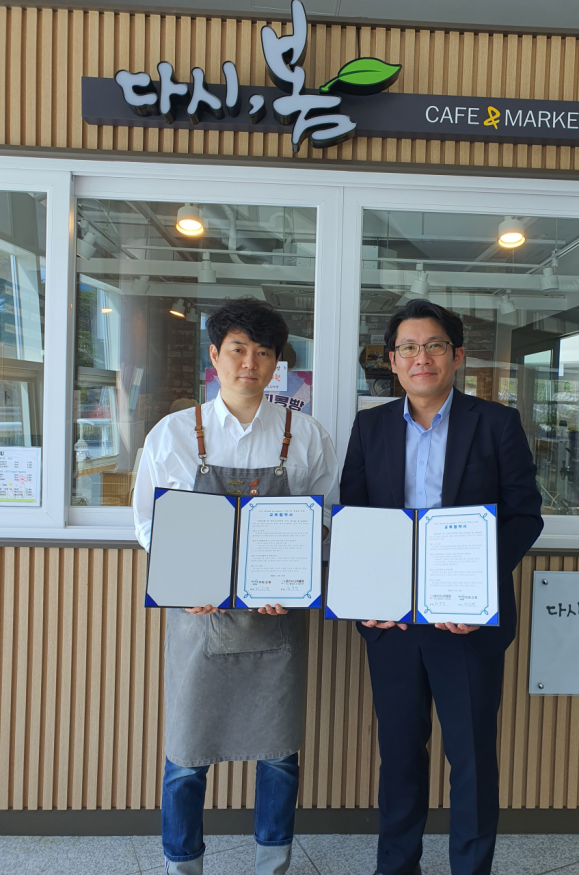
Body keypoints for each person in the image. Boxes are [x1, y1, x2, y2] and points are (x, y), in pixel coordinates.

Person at [133, 299, 339, 875]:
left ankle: (272, 864)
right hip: (197, 619)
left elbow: (326, 517)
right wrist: (186, 578)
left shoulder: (305, 435)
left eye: (263, 352)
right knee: (185, 757)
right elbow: (148, 523)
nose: (250, 363)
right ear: (215, 356)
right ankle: (182, 864)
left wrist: (294, 579)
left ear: (277, 363)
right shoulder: (174, 434)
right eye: (238, 349)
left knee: (279, 756)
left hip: (277, 620)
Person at [340, 299, 543, 875]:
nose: (421, 358)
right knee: (400, 758)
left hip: (467, 625)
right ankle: (396, 866)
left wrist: (478, 592)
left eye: (433, 346)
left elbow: (524, 516)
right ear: (392, 360)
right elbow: (355, 518)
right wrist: (368, 598)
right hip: (393, 624)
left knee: (471, 760)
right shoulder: (371, 426)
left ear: (456, 356)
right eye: (408, 347)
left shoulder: (496, 423)